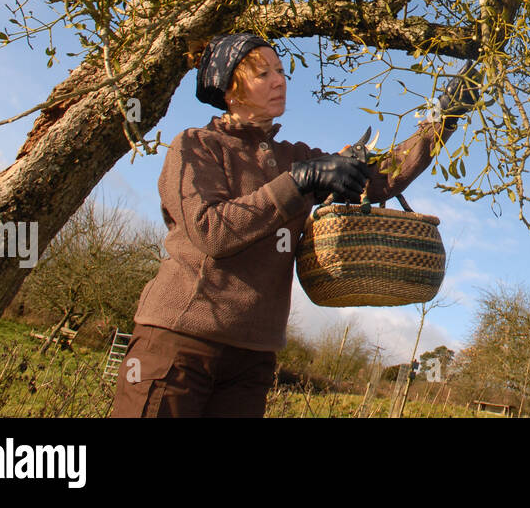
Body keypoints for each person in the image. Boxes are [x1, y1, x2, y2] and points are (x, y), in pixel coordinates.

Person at [109, 31, 480, 418]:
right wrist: (299, 182)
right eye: (263, 73)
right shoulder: (195, 146)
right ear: (229, 88)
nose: (279, 80)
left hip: (253, 359)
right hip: (179, 345)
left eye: (282, 71)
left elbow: (379, 178)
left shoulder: (295, 156)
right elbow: (212, 232)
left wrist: (443, 117)